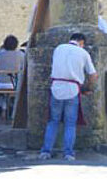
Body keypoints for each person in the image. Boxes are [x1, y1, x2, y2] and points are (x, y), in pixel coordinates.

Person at [39, 33, 98, 161]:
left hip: (56, 87)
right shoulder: (83, 53)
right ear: (81, 42)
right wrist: (87, 88)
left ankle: (46, 151)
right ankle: (68, 153)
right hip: (72, 89)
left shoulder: (58, 48)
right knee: (70, 123)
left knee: (53, 121)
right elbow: (93, 75)